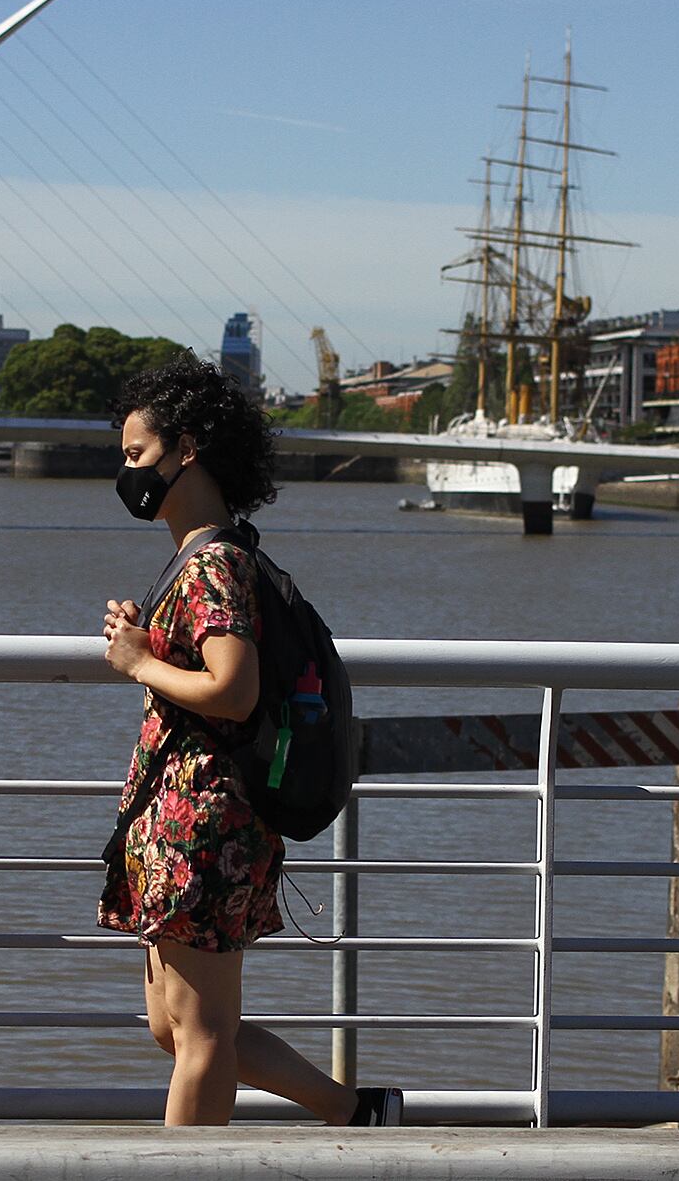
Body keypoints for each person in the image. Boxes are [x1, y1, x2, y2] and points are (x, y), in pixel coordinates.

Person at [98, 351, 402, 1128]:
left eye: (136, 452)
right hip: (188, 822)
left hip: (204, 822)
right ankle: (357, 1111)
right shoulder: (203, 556)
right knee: (179, 1028)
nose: (126, 471)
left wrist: (138, 662)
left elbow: (232, 688)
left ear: (186, 449)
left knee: (200, 1034)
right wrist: (147, 639)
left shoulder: (214, 564)